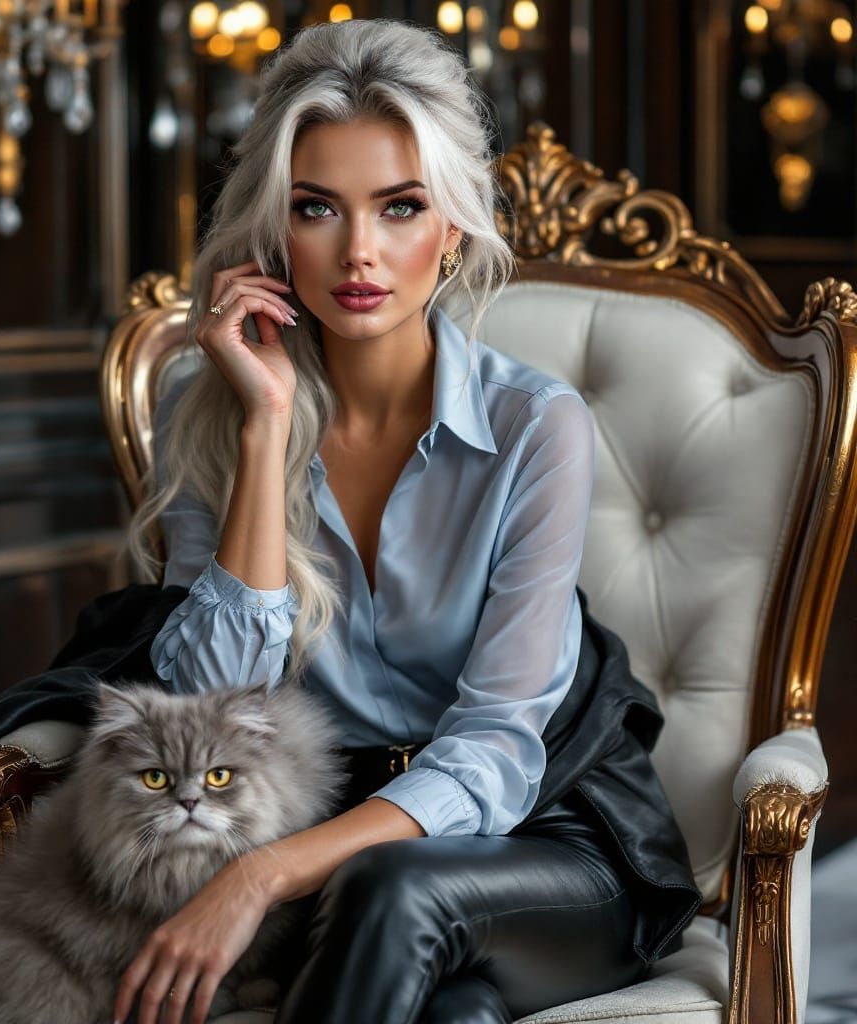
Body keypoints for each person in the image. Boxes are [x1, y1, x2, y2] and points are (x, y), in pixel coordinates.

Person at [114, 17, 701, 1024]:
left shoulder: (533, 427)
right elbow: (209, 705)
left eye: (398, 208)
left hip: (548, 841)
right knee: (447, 1008)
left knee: (389, 889)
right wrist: (263, 433)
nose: (359, 252)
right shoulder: (203, 409)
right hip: (343, 860)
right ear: (270, 232)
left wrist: (260, 876)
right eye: (316, 209)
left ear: (453, 230)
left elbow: (493, 750)